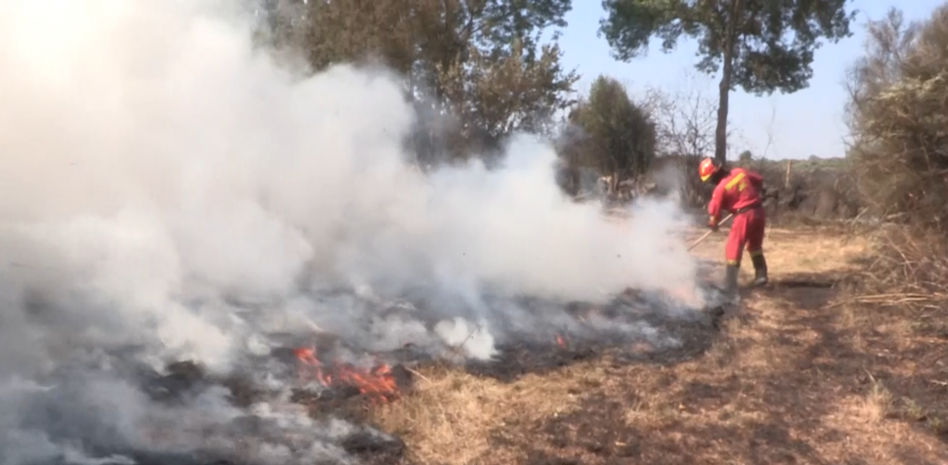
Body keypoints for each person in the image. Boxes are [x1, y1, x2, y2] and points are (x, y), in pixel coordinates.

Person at [699, 157, 768, 297]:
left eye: (710, 179)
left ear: (714, 176)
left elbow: (714, 210)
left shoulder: (720, 189)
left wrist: (713, 223)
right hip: (759, 212)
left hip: (744, 216)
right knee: (754, 245)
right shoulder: (740, 171)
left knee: (733, 246)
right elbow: (758, 180)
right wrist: (757, 192)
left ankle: (730, 286)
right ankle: (761, 276)